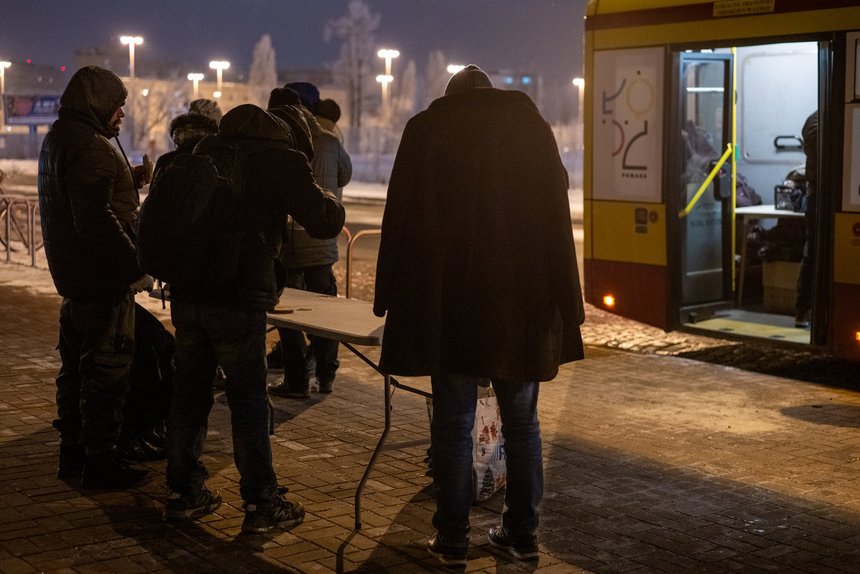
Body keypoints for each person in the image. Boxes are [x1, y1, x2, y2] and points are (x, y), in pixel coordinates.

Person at [373, 65, 585, 566]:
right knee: (523, 424)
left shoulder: (425, 130)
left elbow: (397, 214)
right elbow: (556, 217)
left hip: (447, 308)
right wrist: (569, 302)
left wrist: (387, 296)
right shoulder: (531, 129)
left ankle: (451, 540)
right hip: (521, 307)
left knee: (452, 425)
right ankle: (522, 535)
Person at [163, 104, 345, 533]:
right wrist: (324, 195)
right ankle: (262, 502)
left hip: (188, 292)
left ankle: (183, 492)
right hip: (238, 296)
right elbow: (324, 221)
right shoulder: (279, 158)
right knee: (248, 401)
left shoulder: (207, 148)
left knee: (189, 395)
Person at [38, 65, 154, 489]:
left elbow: (83, 197)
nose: (121, 113)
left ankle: (72, 453)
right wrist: (134, 266)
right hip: (101, 281)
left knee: (75, 370)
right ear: (97, 103)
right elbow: (95, 220)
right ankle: (101, 462)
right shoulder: (89, 146)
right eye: (117, 105)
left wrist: (129, 179)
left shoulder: (61, 138)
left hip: (75, 278)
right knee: (106, 373)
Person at [268, 82, 352, 398]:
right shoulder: (330, 141)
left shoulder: (282, 142)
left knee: (288, 317)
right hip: (322, 243)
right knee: (325, 314)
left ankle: (297, 379)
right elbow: (345, 175)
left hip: (289, 246)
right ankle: (326, 375)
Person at [795, 110, 818, 329]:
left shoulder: (814, 119)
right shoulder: (820, 120)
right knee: (814, 251)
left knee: (812, 251)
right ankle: (805, 310)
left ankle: (805, 310)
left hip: (816, 194)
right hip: (820, 194)